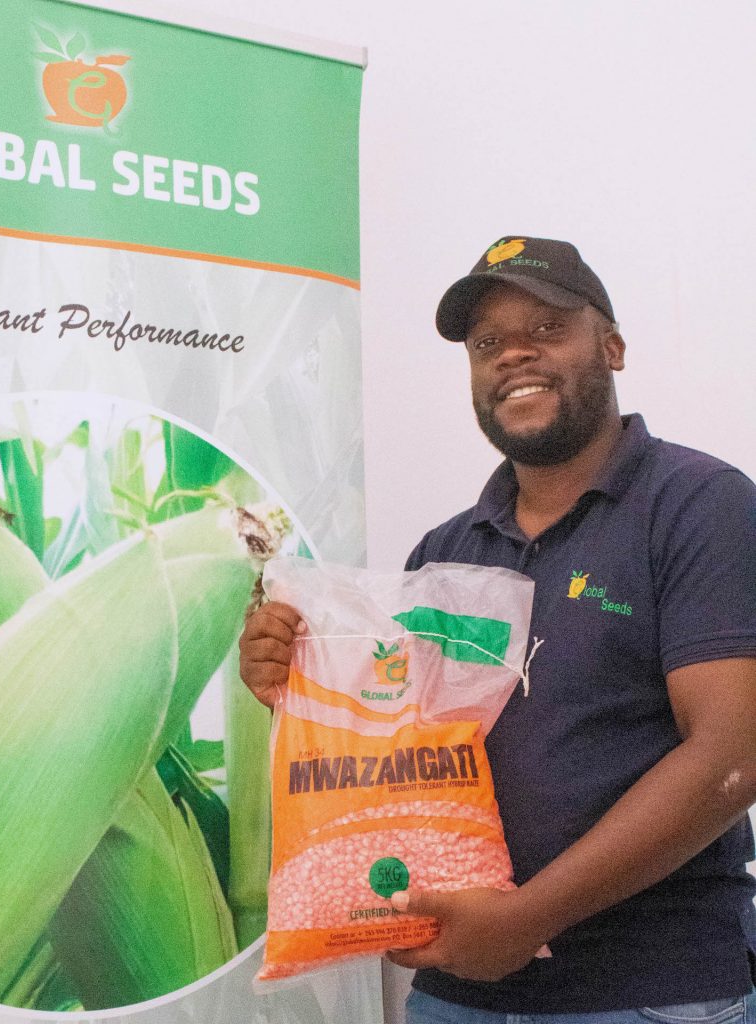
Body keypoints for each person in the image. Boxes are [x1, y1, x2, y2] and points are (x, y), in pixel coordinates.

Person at [238, 236, 756, 1022]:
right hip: (459, 991)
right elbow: (397, 752)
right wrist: (294, 686)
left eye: (547, 329)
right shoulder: (446, 554)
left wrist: (528, 919)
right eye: (488, 344)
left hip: (649, 992)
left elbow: (732, 755)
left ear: (611, 347)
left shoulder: (698, 505)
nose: (514, 354)